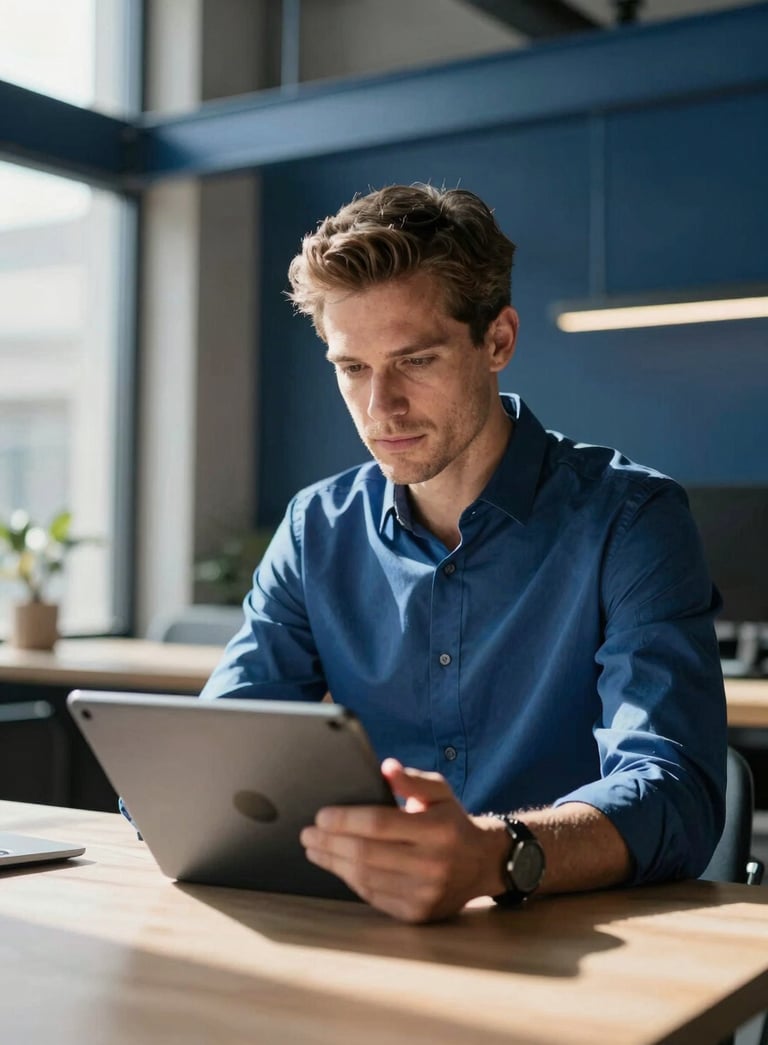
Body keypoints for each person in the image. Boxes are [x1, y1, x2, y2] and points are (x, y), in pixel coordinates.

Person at [201, 183, 727, 923]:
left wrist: (495, 854)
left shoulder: (630, 519)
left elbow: (675, 791)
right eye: (352, 367)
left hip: (573, 951)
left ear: (498, 341)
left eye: (414, 360)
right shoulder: (316, 527)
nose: (380, 407)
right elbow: (215, 760)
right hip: (374, 938)